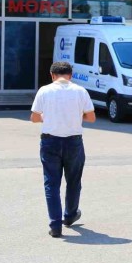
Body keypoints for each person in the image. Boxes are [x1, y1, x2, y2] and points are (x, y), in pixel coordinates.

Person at [30, 62, 96, 238]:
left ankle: (55, 225)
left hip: (50, 141)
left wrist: (46, 116)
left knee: (51, 183)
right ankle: (70, 215)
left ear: (52, 75)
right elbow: (91, 117)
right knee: (74, 181)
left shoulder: (44, 91)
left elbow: (34, 117)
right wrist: (76, 115)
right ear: (70, 75)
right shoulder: (80, 91)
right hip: (73, 141)